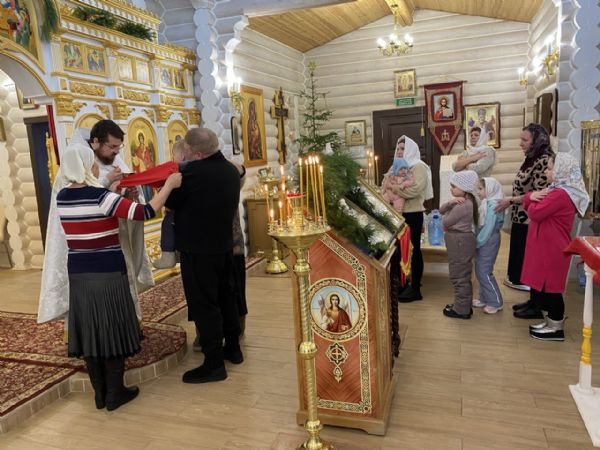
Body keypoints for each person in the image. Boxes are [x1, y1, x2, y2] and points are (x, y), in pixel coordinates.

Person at [55, 144, 181, 411]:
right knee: (112, 330)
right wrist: (168, 186)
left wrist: (113, 190)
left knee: (91, 332)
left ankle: (99, 394)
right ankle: (115, 393)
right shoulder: (100, 197)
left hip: (79, 275)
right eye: (91, 162)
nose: (95, 166)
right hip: (108, 274)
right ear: (85, 165)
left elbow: (94, 211)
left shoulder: (63, 197)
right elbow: (145, 212)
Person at [38, 121, 152, 329]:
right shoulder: (76, 160)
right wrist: (107, 181)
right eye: (112, 146)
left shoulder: (114, 161)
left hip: (115, 239)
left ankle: (124, 327)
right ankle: (98, 334)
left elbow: (116, 203)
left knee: (120, 286)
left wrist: (129, 194)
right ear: (96, 142)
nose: (116, 152)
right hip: (87, 246)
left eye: (119, 147)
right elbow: (79, 197)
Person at [166, 128, 242, 384]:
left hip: (198, 250)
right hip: (224, 247)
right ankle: (233, 349)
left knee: (204, 305)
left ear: (194, 151)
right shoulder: (230, 171)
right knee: (226, 298)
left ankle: (214, 364)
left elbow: (171, 202)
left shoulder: (191, 174)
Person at [522, 153, 589, 341]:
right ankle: (551, 322)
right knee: (548, 287)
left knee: (552, 289)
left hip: (552, 248)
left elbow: (535, 213)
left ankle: (556, 327)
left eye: (550, 168)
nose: (546, 171)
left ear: (561, 171)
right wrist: (532, 198)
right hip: (549, 246)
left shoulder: (560, 194)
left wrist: (530, 197)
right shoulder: (558, 191)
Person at [494, 124, 554, 319]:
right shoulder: (532, 158)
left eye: (525, 140)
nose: (520, 143)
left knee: (534, 262)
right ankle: (533, 300)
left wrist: (511, 200)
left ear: (537, 140)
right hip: (522, 217)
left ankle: (538, 305)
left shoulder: (544, 160)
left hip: (532, 219)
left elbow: (538, 194)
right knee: (526, 262)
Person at [390, 136, 434, 302]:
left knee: (414, 250)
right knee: (399, 250)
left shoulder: (418, 166)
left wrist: (395, 189)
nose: (399, 151)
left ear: (411, 149)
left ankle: (415, 288)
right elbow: (386, 185)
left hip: (413, 213)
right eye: (398, 148)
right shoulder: (396, 166)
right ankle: (402, 283)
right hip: (398, 214)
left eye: (403, 148)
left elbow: (415, 190)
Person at [441, 170, 479, 319]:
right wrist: (450, 203)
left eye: (454, 186)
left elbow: (445, 221)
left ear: (464, 188)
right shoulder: (463, 202)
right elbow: (442, 210)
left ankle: (461, 310)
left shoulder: (463, 205)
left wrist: (449, 209)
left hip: (459, 242)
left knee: (459, 275)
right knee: (461, 273)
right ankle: (462, 305)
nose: (451, 189)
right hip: (459, 241)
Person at [473, 177, 505, 314]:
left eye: (481, 189)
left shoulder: (493, 206)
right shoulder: (487, 203)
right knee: (480, 270)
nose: (478, 191)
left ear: (490, 189)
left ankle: (495, 302)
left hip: (488, 240)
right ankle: (485, 298)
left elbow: (488, 228)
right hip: (484, 239)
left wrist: (477, 242)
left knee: (484, 271)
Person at [153, 140, 186, 269]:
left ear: (182, 156)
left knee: (167, 222)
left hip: (183, 216)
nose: (173, 158)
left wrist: (162, 189)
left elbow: (171, 200)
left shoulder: (179, 173)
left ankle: (168, 255)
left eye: (174, 155)